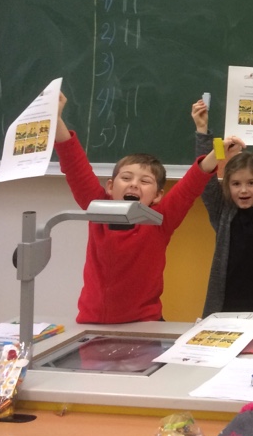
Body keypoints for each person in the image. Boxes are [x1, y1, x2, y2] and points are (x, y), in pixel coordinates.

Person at [54, 92, 228, 323]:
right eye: (126, 178)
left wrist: (219, 152)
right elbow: (73, 164)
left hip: (145, 325)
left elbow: (191, 185)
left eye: (145, 181)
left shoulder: (160, 220)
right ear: (110, 186)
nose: (134, 184)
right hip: (93, 325)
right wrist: (56, 118)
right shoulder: (97, 208)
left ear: (157, 196)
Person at [192, 92, 253, 318]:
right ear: (227, 185)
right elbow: (205, 177)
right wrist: (202, 130)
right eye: (236, 184)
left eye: (251, 183)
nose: (244, 190)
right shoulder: (222, 212)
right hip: (226, 306)